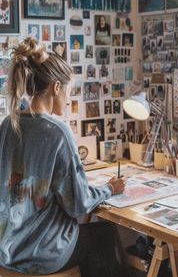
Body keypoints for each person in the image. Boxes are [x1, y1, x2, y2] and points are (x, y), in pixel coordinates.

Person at [0, 37, 128, 277]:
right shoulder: (57, 131)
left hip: (7, 249)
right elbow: (77, 204)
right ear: (56, 87)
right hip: (41, 254)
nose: (68, 100)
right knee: (103, 234)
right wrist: (110, 188)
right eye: (69, 91)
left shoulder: (8, 124)